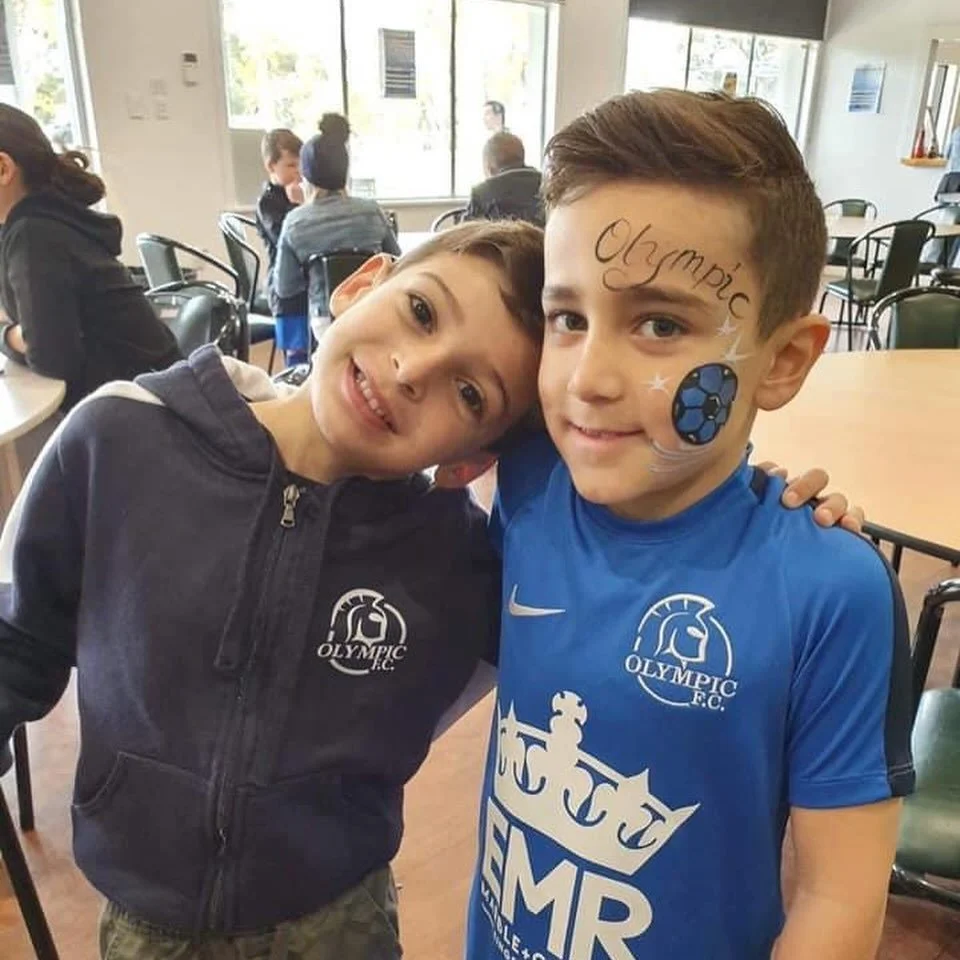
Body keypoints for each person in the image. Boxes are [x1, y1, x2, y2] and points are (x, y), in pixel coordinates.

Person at [0, 213, 851, 958]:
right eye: (420, 311)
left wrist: (754, 507)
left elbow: (618, 558)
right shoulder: (119, 438)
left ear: (474, 459)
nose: (414, 370)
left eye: (471, 392)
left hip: (338, 923)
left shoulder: (459, 560)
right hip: (145, 921)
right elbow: (18, 644)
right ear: (365, 282)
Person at [462, 90, 913, 960]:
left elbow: (838, 900)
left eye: (661, 324)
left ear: (783, 360)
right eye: (569, 318)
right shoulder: (525, 481)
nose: (589, 377)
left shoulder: (831, 592)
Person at [0, 105, 181, 410]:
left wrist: (5, 336)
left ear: (4, 168)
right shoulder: (46, 219)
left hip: (148, 415)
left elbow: (51, 355)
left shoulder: (35, 233)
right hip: (143, 396)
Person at [271, 113, 400, 365]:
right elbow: (396, 262)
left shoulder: (295, 222)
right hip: (370, 315)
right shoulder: (371, 211)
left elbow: (285, 287)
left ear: (305, 177)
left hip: (325, 324)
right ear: (345, 172)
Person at [464, 132, 544, 227]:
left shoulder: (481, 193)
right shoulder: (549, 184)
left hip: (497, 242)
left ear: (489, 167)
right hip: (542, 241)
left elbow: (465, 237)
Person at [254, 128, 304, 272]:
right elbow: (287, 241)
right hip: (283, 277)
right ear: (271, 167)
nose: (298, 171)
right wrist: (296, 205)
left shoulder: (303, 192)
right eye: (291, 165)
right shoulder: (267, 202)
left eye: (301, 165)